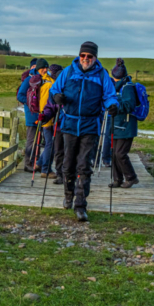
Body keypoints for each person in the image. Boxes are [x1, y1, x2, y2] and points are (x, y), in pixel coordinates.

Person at [49, 42, 119, 222]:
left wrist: (112, 105)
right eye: (83, 55)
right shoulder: (68, 71)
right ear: (79, 55)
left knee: (84, 166)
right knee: (68, 164)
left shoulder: (102, 75)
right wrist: (56, 97)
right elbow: (54, 89)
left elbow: (109, 95)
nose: (86, 59)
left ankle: (81, 205)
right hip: (69, 123)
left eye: (89, 56)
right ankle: (68, 196)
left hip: (91, 125)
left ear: (95, 58)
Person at [109, 58, 139, 188]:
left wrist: (116, 106)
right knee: (114, 153)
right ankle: (117, 179)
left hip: (126, 126)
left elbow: (129, 105)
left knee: (120, 154)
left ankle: (131, 177)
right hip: (117, 124)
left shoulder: (127, 88)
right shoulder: (119, 87)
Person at [17, 58, 42, 172]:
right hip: (32, 115)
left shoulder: (42, 79)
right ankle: (27, 164)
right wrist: (31, 103)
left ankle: (35, 162)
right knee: (31, 140)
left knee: (38, 140)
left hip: (41, 115)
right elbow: (20, 95)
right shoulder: (29, 80)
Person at [35, 59, 57, 178]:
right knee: (50, 144)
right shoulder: (47, 83)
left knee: (50, 143)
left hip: (44, 116)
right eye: (42, 68)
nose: (45, 69)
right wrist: (46, 115)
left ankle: (39, 164)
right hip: (47, 117)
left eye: (46, 67)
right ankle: (46, 170)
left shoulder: (42, 81)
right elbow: (45, 101)